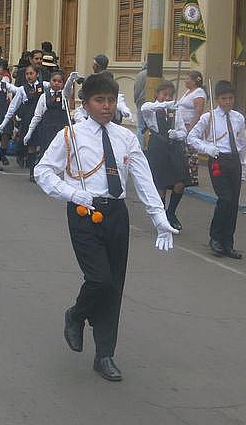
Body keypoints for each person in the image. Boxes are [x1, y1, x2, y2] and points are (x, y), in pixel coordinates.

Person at [33, 71, 177, 382]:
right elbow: (43, 171)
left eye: (111, 100)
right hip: (84, 211)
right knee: (99, 279)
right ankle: (76, 315)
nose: (107, 106)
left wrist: (159, 217)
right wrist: (73, 193)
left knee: (115, 287)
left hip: (116, 215)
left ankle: (104, 354)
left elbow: (142, 178)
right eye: (100, 100)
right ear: (85, 104)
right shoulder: (70, 135)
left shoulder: (125, 137)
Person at [186, 80, 246, 259]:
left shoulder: (238, 118)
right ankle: (216, 238)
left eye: (230, 98)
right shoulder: (208, 117)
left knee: (234, 203)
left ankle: (228, 243)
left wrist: (243, 168)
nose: (227, 102)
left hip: (234, 161)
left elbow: (241, 144)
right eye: (223, 98)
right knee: (225, 199)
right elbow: (192, 138)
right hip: (218, 160)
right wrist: (207, 148)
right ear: (217, 99)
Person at [140, 81, 188, 231]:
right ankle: (163, 218)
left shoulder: (175, 111)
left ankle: (171, 213)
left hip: (174, 148)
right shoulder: (151, 109)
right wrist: (164, 105)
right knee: (161, 185)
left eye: (170, 95)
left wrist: (177, 134)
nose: (167, 98)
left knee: (179, 184)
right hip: (158, 147)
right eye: (164, 94)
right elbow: (144, 108)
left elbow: (183, 131)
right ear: (157, 94)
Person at [23, 70, 68, 163]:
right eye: (54, 80)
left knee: (60, 154)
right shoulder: (44, 96)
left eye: (59, 81)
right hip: (47, 130)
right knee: (45, 152)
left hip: (61, 129)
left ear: (63, 84)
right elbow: (37, 116)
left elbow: (68, 90)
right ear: (50, 81)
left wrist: (71, 79)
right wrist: (30, 131)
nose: (56, 83)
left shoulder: (64, 96)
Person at [176, 70, 207, 187]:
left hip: (190, 126)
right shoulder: (188, 92)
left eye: (188, 78)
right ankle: (184, 176)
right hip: (182, 126)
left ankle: (192, 178)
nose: (185, 80)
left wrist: (191, 128)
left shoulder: (199, 93)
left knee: (191, 153)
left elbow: (198, 112)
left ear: (194, 81)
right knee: (184, 152)